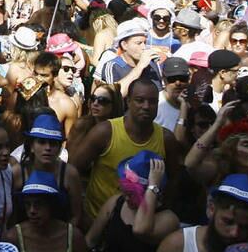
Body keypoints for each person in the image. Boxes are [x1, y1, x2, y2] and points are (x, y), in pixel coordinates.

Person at [75, 78, 180, 221]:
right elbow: (73, 169)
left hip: (142, 225)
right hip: (98, 220)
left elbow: (173, 181)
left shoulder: (166, 139)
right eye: (139, 100)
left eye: (152, 102)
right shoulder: (105, 132)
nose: (146, 106)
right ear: (128, 101)